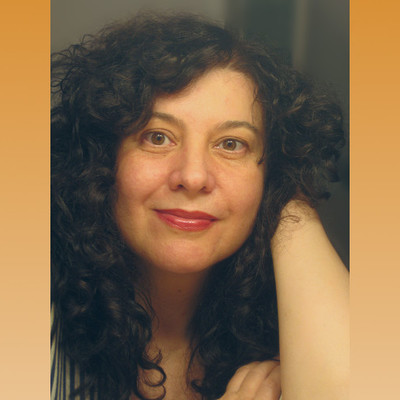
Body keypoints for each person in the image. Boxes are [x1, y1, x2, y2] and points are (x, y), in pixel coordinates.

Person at [51, 13, 349, 400]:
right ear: (101, 159)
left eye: (231, 144)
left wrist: (289, 195)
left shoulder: (300, 331)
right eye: (158, 137)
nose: (192, 177)